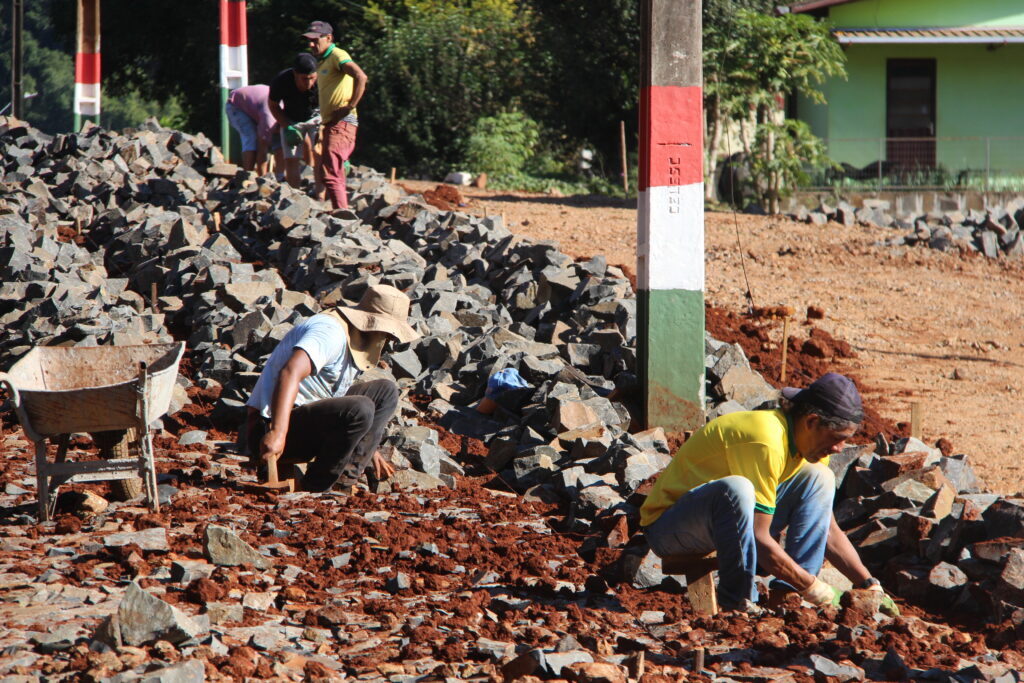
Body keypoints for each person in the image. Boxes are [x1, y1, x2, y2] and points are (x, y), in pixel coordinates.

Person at [641, 372, 899, 614]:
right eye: (837, 437)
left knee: (821, 478)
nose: (840, 448)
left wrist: (867, 583)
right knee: (738, 490)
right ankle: (739, 604)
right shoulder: (766, 439)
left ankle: (788, 597)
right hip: (669, 528)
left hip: (723, 523)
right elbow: (757, 535)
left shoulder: (808, 444)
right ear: (811, 421)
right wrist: (814, 588)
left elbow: (828, 529)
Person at [245, 284, 419, 493]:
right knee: (360, 407)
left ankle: (342, 482)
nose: (389, 340)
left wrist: (368, 448)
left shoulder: (354, 336)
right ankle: (314, 487)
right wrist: (277, 433)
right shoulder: (330, 332)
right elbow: (290, 372)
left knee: (386, 391)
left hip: (304, 421)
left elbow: (331, 398)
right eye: (388, 333)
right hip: (269, 428)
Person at [303, 20, 368, 210]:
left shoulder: (338, 55)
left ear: (329, 38)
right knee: (327, 172)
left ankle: (342, 215)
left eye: (315, 40)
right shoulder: (322, 61)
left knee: (331, 173)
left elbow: (361, 76)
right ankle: (340, 212)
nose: (311, 45)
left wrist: (350, 106)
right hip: (331, 123)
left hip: (342, 122)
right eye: (309, 41)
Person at [268, 53, 323, 192]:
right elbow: (273, 105)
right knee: (291, 158)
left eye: (312, 78)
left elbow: (333, 104)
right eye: (304, 79)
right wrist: (286, 126)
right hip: (291, 119)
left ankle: (321, 196)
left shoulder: (324, 79)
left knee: (320, 156)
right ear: (295, 74)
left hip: (317, 116)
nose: (309, 84)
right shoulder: (281, 80)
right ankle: (295, 196)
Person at [224, 84, 276, 176]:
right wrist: (263, 177)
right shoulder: (269, 118)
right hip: (236, 105)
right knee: (251, 137)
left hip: (254, 104)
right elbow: (262, 145)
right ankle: (247, 175)